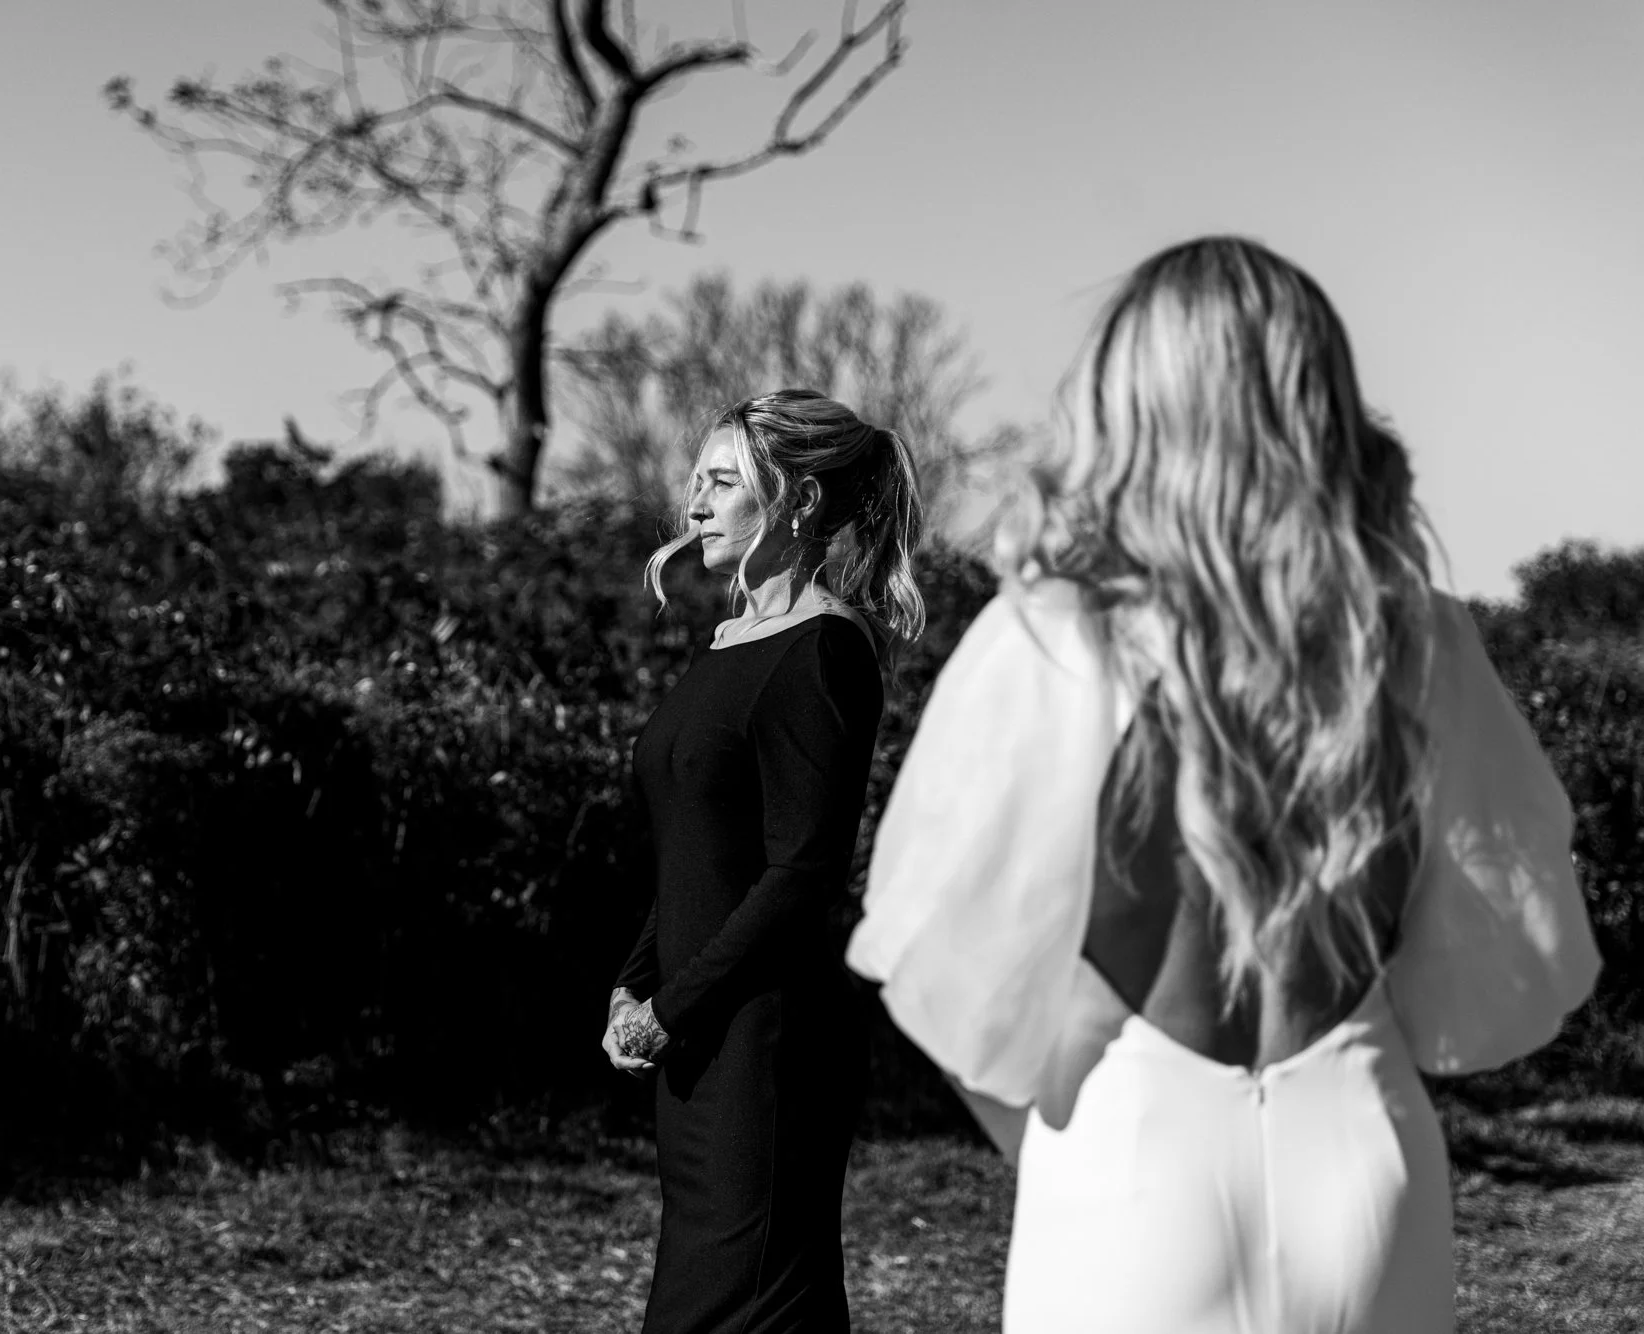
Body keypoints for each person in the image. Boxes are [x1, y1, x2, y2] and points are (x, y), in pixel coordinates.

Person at [847, 236, 1601, 1334]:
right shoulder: (1415, 641)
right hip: (1363, 1158)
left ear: (1124, 405)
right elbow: (1514, 952)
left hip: (1128, 1163)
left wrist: (1057, 1146)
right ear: (1320, 405)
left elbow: (925, 955)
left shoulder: (1058, 636)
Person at [603, 388, 926, 1333]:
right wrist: (634, 987)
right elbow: (700, 856)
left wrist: (671, 1011)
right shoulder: (730, 646)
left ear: (799, 502)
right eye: (695, 481)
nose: (693, 505)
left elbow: (801, 874)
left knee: (739, 1311)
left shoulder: (823, 651)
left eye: (721, 482)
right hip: (697, 1041)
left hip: (763, 1049)